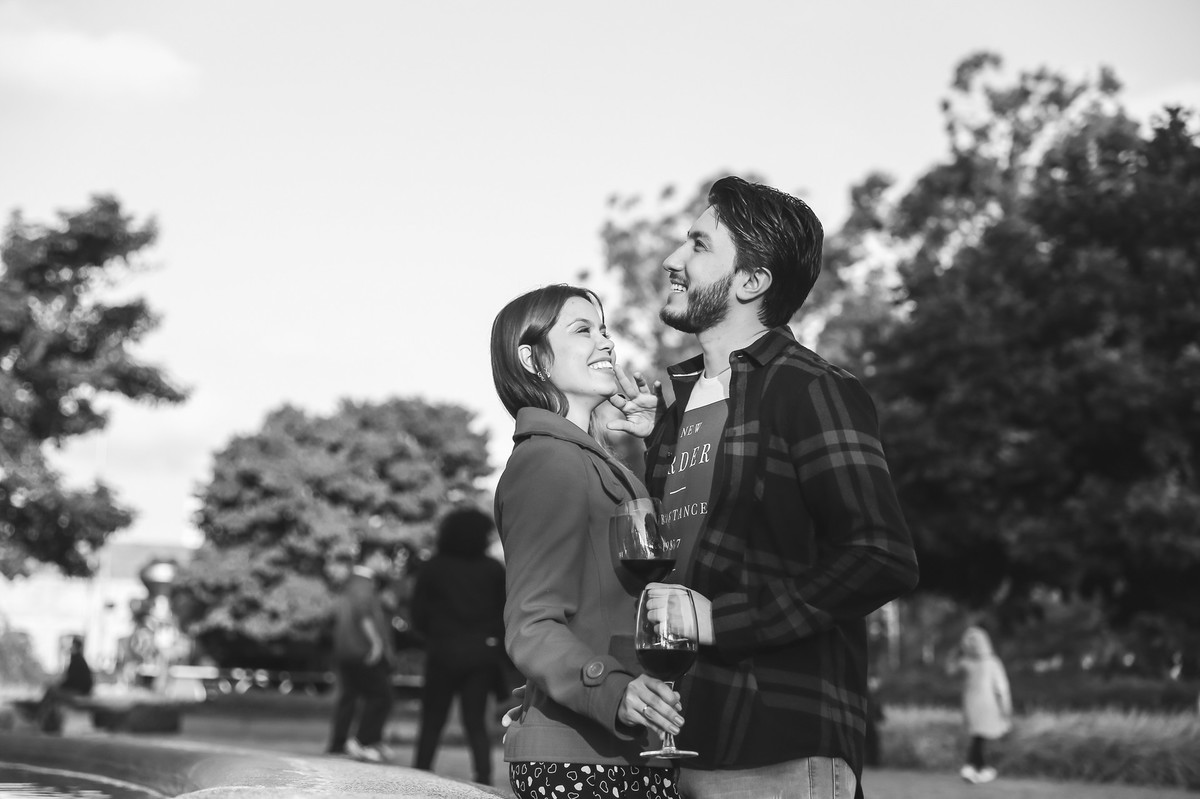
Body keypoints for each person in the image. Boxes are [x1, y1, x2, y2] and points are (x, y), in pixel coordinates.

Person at [609, 176, 921, 798]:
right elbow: (691, 552)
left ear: (751, 281)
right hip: (679, 736)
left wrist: (722, 621)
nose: (672, 258)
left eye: (699, 245)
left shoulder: (812, 389)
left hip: (777, 743)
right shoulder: (681, 402)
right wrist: (657, 438)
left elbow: (880, 557)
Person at [490, 284, 684, 799]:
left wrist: (657, 437)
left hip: (619, 750)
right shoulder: (547, 462)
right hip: (582, 761)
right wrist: (611, 690)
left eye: (604, 329)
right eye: (582, 330)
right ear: (531, 359)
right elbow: (531, 624)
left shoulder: (585, 459)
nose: (605, 341)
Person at [412, 507, 507, 785]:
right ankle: (483, 777)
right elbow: (504, 612)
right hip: (480, 655)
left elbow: (418, 613)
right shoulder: (492, 570)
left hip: (442, 651)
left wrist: (435, 634)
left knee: (432, 720)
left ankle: (419, 772)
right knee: (476, 722)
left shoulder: (433, 567)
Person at [326, 541, 396, 763]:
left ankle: (339, 744)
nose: (385, 563)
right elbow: (363, 613)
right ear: (373, 556)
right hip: (362, 649)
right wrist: (376, 643)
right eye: (383, 557)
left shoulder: (351, 582)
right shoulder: (363, 583)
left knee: (349, 697)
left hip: (346, 648)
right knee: (381, 696)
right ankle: (363, 741)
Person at [947, 625, 1012, 785]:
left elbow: (950, 670)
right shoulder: (989, 662)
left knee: (979, 737)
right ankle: (979, 768)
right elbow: (1002, 688)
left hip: (975, 704)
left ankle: (975, 767)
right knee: (980, 737)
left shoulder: (969, 662)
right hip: (986, 705)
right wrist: (1006, 707)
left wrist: (954, 652)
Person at [37, 635, 94, 733]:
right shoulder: (79, 660)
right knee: (52, 692)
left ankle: (40, 718)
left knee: (51, 692)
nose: (70, 648)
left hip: (79, 692)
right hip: (80, 690)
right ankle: (46, 719)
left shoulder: (76, 661)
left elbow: (71, 681)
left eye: (72, 645)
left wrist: (58, 686)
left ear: (75, 647)